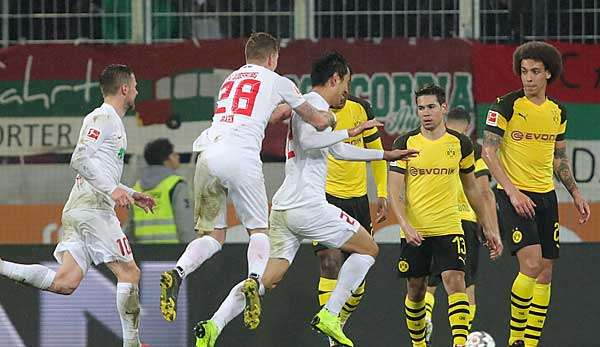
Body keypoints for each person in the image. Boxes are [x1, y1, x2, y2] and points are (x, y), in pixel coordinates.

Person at [193, 52, 418, 347]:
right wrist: (350, 130)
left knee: (264, 281)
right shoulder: (312, 107)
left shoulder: (314, 107)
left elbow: (336, 151)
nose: (347, 92)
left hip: (285, 208)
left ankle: (212, 326)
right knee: (368, 249)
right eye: (345, 83)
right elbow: (310, 141)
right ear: (334, 79)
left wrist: (383, 155)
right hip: (308, 206)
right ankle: (331, 315)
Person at [159, 32, 334, 322]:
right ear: (272, 58)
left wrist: (289, 106)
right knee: (258, 231)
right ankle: (254, 279)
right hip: (241, 155)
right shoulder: (279, 81)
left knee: (213, 236)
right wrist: (330, 118)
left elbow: (267, 115)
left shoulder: (230, 80)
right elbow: (316, 119)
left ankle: (178, 272)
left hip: (207, 154)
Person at [0, 64, 155, 347]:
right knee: (129, 273)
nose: (136, 90)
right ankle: (132, 344)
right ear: (124, 89)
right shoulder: (102, 117)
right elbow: (79, 158)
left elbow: (100, 169)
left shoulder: (113, 121)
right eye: (134, 85)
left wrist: (131, 194)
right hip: (92, 208)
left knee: (65, 282)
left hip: (82, 207)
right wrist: (113, 189)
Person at [481, 41, 591, 347]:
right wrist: (513, 193)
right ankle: (515, 338)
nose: (527, 78)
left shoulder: (558, 112)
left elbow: (559, 158)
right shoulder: (505, 105)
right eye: (523, 71)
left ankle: (530, 343)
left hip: (546, 196)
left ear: (548, 74)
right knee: (529, 265)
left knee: (544, 272)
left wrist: (576, 193)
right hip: (514, 194)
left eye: (534, 72)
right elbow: (488, 152)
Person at [388, 84, 502, 347]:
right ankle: (419, 344)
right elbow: (395, 191)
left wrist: (487, 225)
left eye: (430, 107)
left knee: (456, 280)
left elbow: (473, 187)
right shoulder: (404, 143)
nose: (425, 113)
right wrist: (405, 225)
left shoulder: (460, 144)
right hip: (415, 231)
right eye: (420, 108)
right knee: (415, 290)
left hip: (450, 226)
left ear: (443, 108)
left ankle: (460, 343)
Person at [313, 92, 388, 347]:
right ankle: (330, 335)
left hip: (358, 202)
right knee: (329, 261)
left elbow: (376, 152)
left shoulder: (361, 108)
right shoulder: (316, 110)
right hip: (325, 198)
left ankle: (337, 321)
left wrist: (383, 192)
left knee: (359, 282)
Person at [422, 107, 495, 345]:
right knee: (466, 283)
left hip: (434, 219)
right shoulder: (471, 150)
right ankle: (462, 340)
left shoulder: (432, 145)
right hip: (464, 220)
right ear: (467, 126)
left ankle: (425, 320)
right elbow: (485, 192)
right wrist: (490, 227)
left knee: (431, 279)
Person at [124, 138, 195, 244]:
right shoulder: (176, 185)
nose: (178, 156)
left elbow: (130, 226)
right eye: (174, 154)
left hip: (144, 253)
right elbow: (185, 223)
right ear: (166, 159)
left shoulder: (136, 188)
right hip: (173, 252)